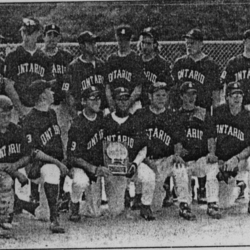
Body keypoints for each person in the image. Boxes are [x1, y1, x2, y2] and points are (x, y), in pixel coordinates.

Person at [132, 81, 197, 220]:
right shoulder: (140, 114)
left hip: (165, 160)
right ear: (150, 96)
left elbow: (178, 140)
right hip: (146, 161)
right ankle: (146, 205)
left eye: (164, 95)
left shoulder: (172, 115)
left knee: (180, 168)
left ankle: (184, 205)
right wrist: (150, 165)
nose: (161, 98)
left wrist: (177, 155)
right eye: (157, 95)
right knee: (156, 206)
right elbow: (137, 145)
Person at [170, 28, 222, 203]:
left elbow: (215, 94)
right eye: (187, 42)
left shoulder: (211, 65)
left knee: (200, 146)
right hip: (182, 112)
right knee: (181, 146)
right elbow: (173, 89)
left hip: (202, 110)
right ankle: (184, 189)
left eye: (192, 42)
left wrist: (213, 114)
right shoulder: (179, 63)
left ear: (201, 43)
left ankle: (201, 187)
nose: (189, 45)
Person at [102, 86, 157, 220]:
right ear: (114, 101)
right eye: (120, 99)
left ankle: (145, 205)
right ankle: (123, 198)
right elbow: (101, 147)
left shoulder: (136, 120)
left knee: (149, 175)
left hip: (132, 165)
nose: (123, 102)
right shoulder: (106, 121)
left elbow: (143, 148)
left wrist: (135, 164)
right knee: (116, 211)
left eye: (126, 99)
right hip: (113, 169)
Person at [22, 80, 68, 233]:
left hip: (52, 165)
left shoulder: (52, 113)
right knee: (52, 170)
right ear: (42, 96)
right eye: (49, 90)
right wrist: (57, 162)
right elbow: (33, 152)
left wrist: (63, 160)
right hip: (37, 166)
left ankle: (22, 204)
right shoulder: (30, 119)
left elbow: (56, 142)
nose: (53, 92)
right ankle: (55, 220)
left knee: (43, 214)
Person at [173, 81, 221, 219]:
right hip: (185, 160)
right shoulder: (176, 115)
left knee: (213, 165)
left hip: (200, 159)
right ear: (181, 96)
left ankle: (212, 203)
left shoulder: (203, 113)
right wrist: (177, 153)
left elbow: (211, 137)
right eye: (188, 94)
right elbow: (176, 139)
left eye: (194, 93)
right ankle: (184, 205)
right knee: (179, 167)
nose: (191, 97)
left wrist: (211, 153)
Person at [67, 86, 112, 221]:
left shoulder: (102, 119)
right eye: (92, 98)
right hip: (81, 167)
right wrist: (93, 168)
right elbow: (73, 157)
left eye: (98, 98)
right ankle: (74, 203)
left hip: (97, 167)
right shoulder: (77, 124)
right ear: (83, 101)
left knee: (94, 213)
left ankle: (87, 202)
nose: (97, 101)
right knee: (81, 182)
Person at [41, 24, 74, 211]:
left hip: (61, 106)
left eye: (55, 35)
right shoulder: (38, 56)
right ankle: (37, 192)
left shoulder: (66, 57)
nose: (52, 38)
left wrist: (66, 100)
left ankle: (61, 192)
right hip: (43, 104)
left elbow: (70, 82)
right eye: (49, 34)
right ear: (43, 37)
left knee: (62, 146)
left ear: (60, 38)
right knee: (42, 144)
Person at [4, 18, 53, 123]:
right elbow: (9, 86)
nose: (26, 36)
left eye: (30, 33)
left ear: (38, 33)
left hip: (37, 107)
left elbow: (48, 87)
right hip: (17, 108)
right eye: (24, 32)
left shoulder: (44, 58)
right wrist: (22, 112)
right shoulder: (13, 55)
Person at [220, 30, 250, 198]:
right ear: (244, 41)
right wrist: (226, 102)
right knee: (234, 140)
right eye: (248, 39)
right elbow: (226, 84)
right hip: (236, 106)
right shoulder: (234, 62)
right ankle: (237, 181)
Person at [214, 81, 250, 212]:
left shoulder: (247, 116)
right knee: (224, 204)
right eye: (233, 95)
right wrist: (217, 158)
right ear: (227, 97)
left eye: (239, 94)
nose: (237, 98)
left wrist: (237, 158)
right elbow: (211, 138)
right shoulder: (218, 112)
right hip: (222, 162)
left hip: (241, 159)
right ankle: (239, 187)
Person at [0, 95, 32, 238]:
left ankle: (5, 217)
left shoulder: (16, 130)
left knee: (7, 181)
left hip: (7, 172)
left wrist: (14, 166)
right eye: (2, 116)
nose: (6, 119)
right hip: (5, 174)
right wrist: (16, 172)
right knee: (6, 181)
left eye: (8, 115)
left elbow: (27, 155)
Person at [105, 24, 145, 114]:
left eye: (125, 39)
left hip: (132, 103)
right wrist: (111, 103)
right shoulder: (111, 59)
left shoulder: (136, 58)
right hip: (114, 103)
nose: (123, 43)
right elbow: (107, 86)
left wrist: (127, 103)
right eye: (120, 40)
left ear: (130, 39)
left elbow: (138, 87)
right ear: (116, 39)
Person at [68, 31, 106, 114]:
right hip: (83, 113)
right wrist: (75, 114)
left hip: (101, 111)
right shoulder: (74, 67)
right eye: (90, 43)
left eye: (95, 42)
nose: (94, 45)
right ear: (82, 46)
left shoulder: (101, 64)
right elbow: (70, 94)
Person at [137, 27, 173, 107]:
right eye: (143, 42)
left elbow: (168, 90)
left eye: (148, 43)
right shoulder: (135, 61)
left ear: (155, 44)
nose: (144, 46)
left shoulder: (162, 64)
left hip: (153, 106)